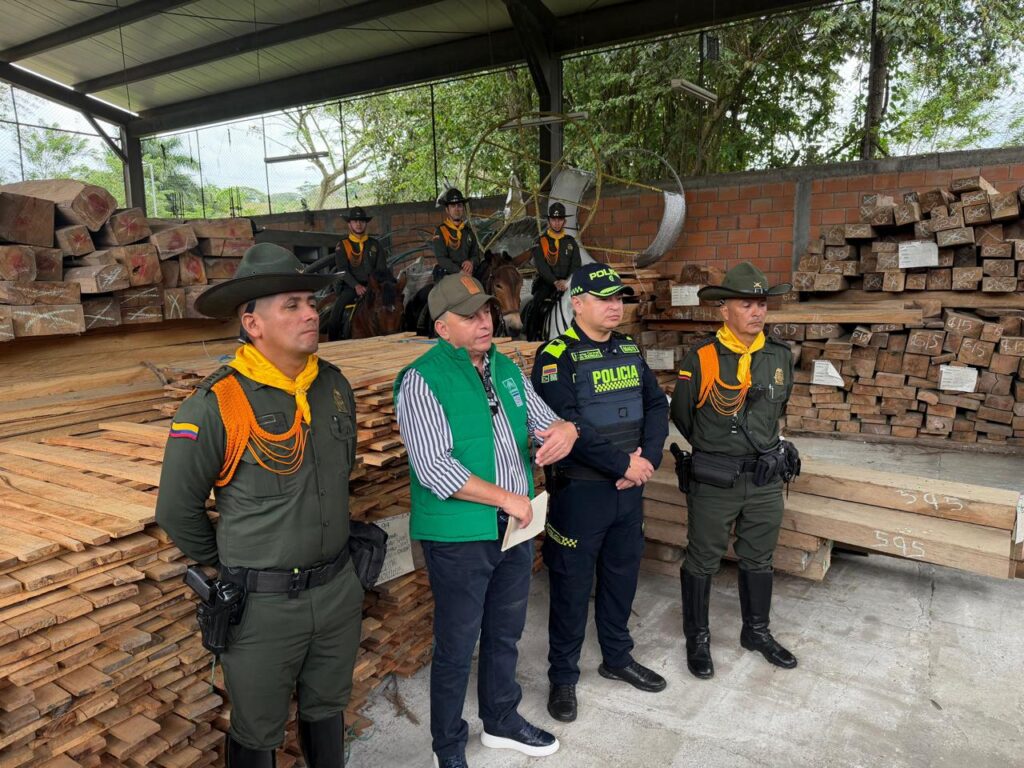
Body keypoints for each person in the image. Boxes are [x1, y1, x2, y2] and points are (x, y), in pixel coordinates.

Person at [156, 243, 364, 768]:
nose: (311, 313)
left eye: (310, 302)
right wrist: (239, 564)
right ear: (252, 324)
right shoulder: (215, 404)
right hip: (263, 608)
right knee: (257, 729)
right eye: (291, 305)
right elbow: (177, 510)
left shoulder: (333, 387)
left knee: (328, 708)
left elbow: (340, 475)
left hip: (336, 589)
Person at [394, 273, 579, 768]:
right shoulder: (422, 380)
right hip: (459, 536)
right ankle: (448, 746)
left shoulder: (505, 367)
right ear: (441, 328)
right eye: (469, 316)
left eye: (486, 312)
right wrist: (509, 499)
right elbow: (435, 468)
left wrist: (565, 431)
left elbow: (544, 422)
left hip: (512, 530)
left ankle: (500, 720)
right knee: (457, 645)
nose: (484, 322)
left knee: (504, 632)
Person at [531, 264, 669, 724]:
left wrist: (648, 460)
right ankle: (563, 676)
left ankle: (617, 657)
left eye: (619, 298)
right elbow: (568, 424)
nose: (615, 306)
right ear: (577, 303)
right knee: (571, 587)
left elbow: (655, 404)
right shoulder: (556, 357)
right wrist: (624, 464)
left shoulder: (629, 349)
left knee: (622, 576)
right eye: (605, 298)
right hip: (581, 494)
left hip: (628, 491)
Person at [669, 261, 799, 681]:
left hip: (764, 479)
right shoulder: (702, 357)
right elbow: (683, 415)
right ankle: (698, 638)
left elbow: (777, 410)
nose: (757, 312)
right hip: (715, 479)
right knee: (703, 558)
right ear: (724, 310)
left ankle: (756, 632)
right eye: (747, 304)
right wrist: (718, 450)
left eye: (762, 304)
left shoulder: (779, 356)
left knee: (759, 556)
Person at [327, 206, 389, 341]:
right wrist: (356, 285)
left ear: (366, 223)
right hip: (351, 287)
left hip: (373, 287)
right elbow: (343, 270)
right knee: (336, 312)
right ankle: (333, 342)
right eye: (355, 221)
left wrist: (376, 285)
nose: (358, 224)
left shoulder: (375, 244)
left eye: (361, 221)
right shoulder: (343, 245)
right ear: (349, 224)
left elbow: (381, 269)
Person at [526, 202, 582, 341]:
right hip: (547, 283)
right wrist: (555, 281)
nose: (557, 223)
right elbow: (542, 266)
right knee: (536, 304)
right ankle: (532, 337)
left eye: (560, 219)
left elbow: (576, 264)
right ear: (549, 221)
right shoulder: (541, 241)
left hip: (567, 283)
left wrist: (567, 282)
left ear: (564, 221)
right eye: (554, 219)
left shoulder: (571, 242)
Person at [431, 188, 481, 281]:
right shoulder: (440, 232)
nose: (457, 209)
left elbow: (476, 255)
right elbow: (441, 258)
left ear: (463, 209)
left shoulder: (468, 231)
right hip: (448, 276)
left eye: (459, 205)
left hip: (469, 275)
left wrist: (471, 262)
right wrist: (459, 271)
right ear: (447, 210)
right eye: (453, 206)